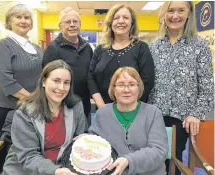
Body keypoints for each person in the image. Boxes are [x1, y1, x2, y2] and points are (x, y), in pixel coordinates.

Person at [148, 1, 214, 174]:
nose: (175, 16)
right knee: (152, 160)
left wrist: (196, 114)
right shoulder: (154, 47)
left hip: (183, 119)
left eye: (180, 11)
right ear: (164, 14)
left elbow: (207, 85)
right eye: (170, 11)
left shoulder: (199, 45)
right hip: (154, 116)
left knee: (173, 162)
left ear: (189, 13)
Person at [3, 60, 86, 175]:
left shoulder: (75, 106)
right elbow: (28, 156)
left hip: (62, 167)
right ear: (43, 82)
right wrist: (55, 171)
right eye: (56, 81)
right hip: (26, 169)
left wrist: (83, 141)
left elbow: (78, 139)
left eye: (66, 83)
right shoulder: (25, 113)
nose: (61, 88)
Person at [89, 67, 168, 175]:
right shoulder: (102, 114)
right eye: (121, 85)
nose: (126, 90)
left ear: (139, 88)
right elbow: (94, 147)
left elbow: (158, 150)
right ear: (113, 88)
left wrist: (128, 160)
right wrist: (85, 141)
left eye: (131, 84)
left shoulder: (153, 113)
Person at [87, 4, 154, 109]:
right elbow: (90, 78)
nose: (121, 21)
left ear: (132, 23)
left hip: (132, 111)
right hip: (103, 109)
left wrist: (129, 107)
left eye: (126, 17)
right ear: (110, 23)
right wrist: (101, 106)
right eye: (116, 18)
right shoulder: (100, 49)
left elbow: (147, 81)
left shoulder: (141, 48)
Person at [0, 2, 43, 131]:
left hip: (34, 106)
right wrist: (32, 100)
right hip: (11, 108)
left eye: (27, 17)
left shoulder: (36, 48)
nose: (23, 21)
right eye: (18, 17)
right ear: (9, 21)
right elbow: (6, 81)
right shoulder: (3, 45)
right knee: (12, 147)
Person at [42, 7, 93, 121]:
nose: (72, 25)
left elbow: (91, 74)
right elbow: (46, 79)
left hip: (84, 105)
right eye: (67, 22)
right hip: (62, 106)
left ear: (80, 24)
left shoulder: (87, 47)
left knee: (83, 136)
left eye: (75, 21)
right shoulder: (53, 49)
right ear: (60, 26)